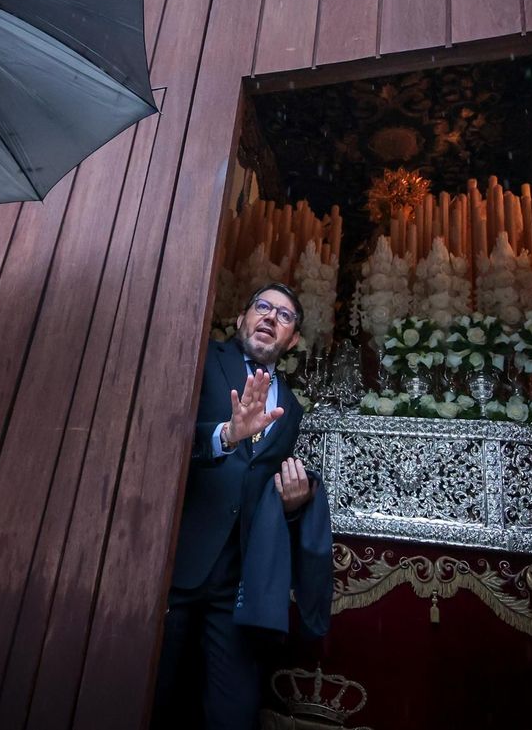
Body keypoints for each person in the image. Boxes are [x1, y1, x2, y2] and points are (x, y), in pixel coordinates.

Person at [153, 283, 331, 730]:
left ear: (292, 341)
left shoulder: (289, 409)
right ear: (241, 319)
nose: (271, 317)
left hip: (236, 581)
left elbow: (261, 486)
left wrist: (292, 505)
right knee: (151, 698)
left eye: (285, 316)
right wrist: (224, 435)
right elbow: (159, 433)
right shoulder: (202, 360)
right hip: (173, 565)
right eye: (263, 307)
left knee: (234, 711)